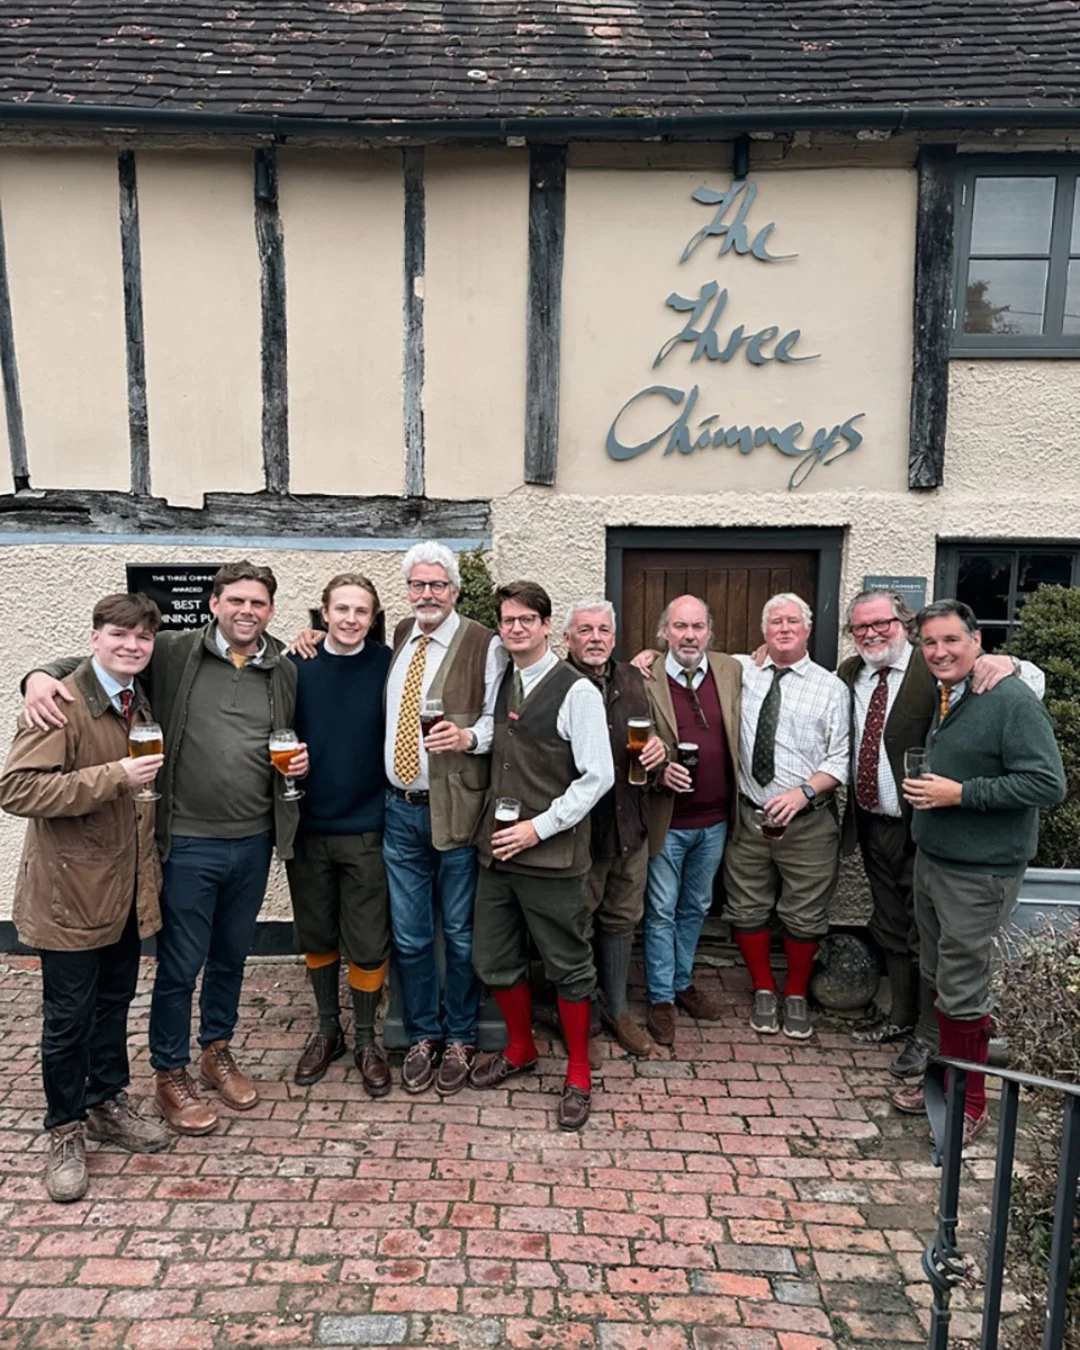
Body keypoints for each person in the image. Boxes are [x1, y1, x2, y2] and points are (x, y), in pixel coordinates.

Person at [21, 561, 307, 1136]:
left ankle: (216, 1050)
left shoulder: (283, 667)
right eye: (235, 600)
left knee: (231, 957)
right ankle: (169, 1071)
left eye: (258, 603)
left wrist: (294, 765)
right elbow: (98, 662)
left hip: (253, 838)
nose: (246, 611)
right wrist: (36, 676)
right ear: (214, 604)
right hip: (188, 842)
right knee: (180, 966)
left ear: (271, 611)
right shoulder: (173, 651)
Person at [0, 593, 170, 1202]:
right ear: (95, 637)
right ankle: (65, 1128)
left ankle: (105, 1102)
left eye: (142, 637)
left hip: (123, 891)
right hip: (70, 894)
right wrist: (114, 776)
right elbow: (17, 789)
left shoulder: (135, 699)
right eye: (119, 634)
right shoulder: (61, 702)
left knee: (114, 1004)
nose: (131, 645)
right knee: (68, 1019)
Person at [837, 588, 1045, 1087]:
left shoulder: (935, 669)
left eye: (882, 623)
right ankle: (901, 1016)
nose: (871, 634)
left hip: (928, 825)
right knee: (891, 922)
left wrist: (1010, 663)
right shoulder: (850, 672)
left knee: (932, 940)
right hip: (874, 820)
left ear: (903, 625)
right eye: (860, 627)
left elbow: (1027, 686)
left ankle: (931, 1038)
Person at [899, 599, 1064, 1145]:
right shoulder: (950, 692)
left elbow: (1047, 783)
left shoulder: (1010, 699)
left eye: (951, 640)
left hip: (980, 872)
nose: (939, 651)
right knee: (939, 976)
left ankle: (970, 1104)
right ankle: (945, 1076)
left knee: (964, 988)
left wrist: (962, 794)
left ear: (976, 642)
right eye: (929, 643)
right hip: (935, 859)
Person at [469, 581, 614, 1131]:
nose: (516, 628)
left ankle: (579, 1072)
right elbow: (502, 738)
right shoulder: (504, 678)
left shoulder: (577, 692)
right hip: (498, 853)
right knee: (493, 958)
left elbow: (597, 777)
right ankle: (521, 1048)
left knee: (569, 967)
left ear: (547, 626)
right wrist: (467, 740)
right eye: (508, 620)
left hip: (552, 858)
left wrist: (540, 828)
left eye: (527, 619)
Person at [381, 542, 506, 1096]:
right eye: (418, 585)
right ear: (408, 590)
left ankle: (459, 1036)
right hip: (398, 809)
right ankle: (422, 1034)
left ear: (454, 590)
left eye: (437, 585)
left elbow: (502, 720)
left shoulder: (484, 642)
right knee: (409, 936)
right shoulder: (400, 634)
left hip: (457, 809)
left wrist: (469, 736)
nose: (427, 594)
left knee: (458, 933)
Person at [721, 594, 849, 1040]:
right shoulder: (740, 671)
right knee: (745, 905)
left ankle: (794, 993)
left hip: (808, 821)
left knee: (806, 913)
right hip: (749, 816)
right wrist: (646, 655)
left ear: (808, 629)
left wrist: (804, 792)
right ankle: (763, 988)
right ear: (764, 631)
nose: (784, 628)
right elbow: (688, 655)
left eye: (793, 621)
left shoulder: (831, 687)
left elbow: (840, 757)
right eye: (775, 621)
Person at [286, 574, 393, 1095]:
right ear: (323, 614)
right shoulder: (296, 666)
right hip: (308, 826)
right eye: (342, 609)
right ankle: (329, 1030)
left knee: (369, 940)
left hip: (368, 826)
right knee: (317, 934)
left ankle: (368, 1039)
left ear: (373, 619)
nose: (351, 619)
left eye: (361, 611)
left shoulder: (389, 665)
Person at [562, 598, 666, 1057]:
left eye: (603, 630)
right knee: (577, 920)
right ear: (567, 637)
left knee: (623, 917)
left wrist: (660, 752)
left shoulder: (633, 679)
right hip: (579, 831)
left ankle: (618, 1008)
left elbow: (658, 736)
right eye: (585, 630)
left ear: (615, 636)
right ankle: (581, 1004)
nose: (595, 638)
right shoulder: (555, 680)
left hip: (630, 825)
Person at [639, 596, 742, 1048]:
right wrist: (660, 770)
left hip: (715, 820)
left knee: (695, 907)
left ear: (709, 632)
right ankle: (661, 996)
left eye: (697, 627)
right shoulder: (644, 676)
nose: (689, 635)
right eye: (679, 626)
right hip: (668, 819)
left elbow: (772, 661)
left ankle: (681, 982)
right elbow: (634, 737)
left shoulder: (731, 669)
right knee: (661, 910)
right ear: (664, 632)